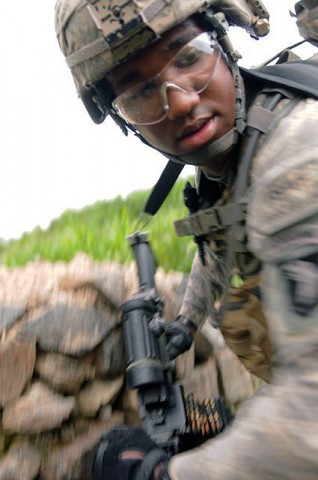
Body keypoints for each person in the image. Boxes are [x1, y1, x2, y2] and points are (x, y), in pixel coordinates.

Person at [55, 1, 318, 478]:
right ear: (123, 120)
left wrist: (163, 475)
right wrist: (188, 322)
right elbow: (219, 239)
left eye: (190, 56)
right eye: (139, 93)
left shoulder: (300, 155)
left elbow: (311, 423)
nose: (178, 102)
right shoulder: (239, 139)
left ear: (225, 45)